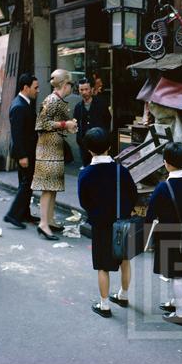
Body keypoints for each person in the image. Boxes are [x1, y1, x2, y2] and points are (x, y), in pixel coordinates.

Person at [78, 127, 137, 318]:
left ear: (88, 150)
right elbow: (133, 194)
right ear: (110, 147)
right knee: (125, 260)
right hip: (122, 222)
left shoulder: (86, 174)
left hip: (101, 225)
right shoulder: (121, 171)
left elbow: (84, 202)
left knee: (103, 266)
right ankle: (123, 295)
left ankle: (104, 305)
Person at [145, 142, 182, 326]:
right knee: (175, 272)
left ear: (166, 163)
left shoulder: (163, 187)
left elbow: (150, 213)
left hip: (167, 235)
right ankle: (173, 303)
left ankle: (180, 313)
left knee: (175, 275)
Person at [32, 68, 78, 240]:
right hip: (48, 149)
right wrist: (65, 124)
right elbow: (41, 124)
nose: (72, 87)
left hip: (52, 147)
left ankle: (49, 220)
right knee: (48, 188)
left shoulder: (55, 100)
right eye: (71, 84)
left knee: (53, 188)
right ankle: (44, 223)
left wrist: (67, 125)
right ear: (65, 84)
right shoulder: (52, 100)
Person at [3, 73, 40, 229]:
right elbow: (17, 134)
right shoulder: (19, 106)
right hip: (24, 152)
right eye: (35, 87)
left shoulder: (24, 103)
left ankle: (24, 214)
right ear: (26, 88)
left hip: (27, 150)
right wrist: (23, 155)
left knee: (25, 183)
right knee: (27, 184)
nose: (37, 90)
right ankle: (12, 214)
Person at [73, 77, 112, 167]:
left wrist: (104, 136)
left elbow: (107, 120)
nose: (84, 92)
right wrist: (79, 139)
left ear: (91, 89)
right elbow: (76, 124)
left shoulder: (101, 104)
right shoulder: (78, 107)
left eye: (86, 89)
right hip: (84, 145)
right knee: (87, 167)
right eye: (81, 90)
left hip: (100, 143)